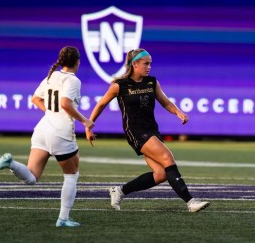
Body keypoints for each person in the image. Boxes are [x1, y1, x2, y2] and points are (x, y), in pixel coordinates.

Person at [85, 48, 210, 212]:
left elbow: (165, 102)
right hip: (135, 131)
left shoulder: (152, 82)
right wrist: (89, 125)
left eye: (150, 63)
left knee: (160, 174)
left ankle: (120, 191)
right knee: (167, 158)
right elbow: (101, 104)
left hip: (152, 130)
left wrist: (178, 112)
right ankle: (190, 202)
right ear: (134, 64)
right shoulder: (119, 86)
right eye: (146, 63)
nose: (149, 66)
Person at [0, 46, 94, 227]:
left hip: (42, 129)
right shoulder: (73, 81)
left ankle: (10, 163)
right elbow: (65, 104)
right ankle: (63, 219)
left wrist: (52, 113)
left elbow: (35, 99)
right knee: (71, 176)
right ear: (78, 62)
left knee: (32, 177)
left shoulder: (51, 76)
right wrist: (85, 121)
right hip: (61, 133)